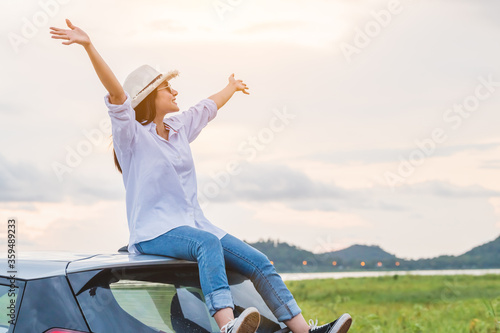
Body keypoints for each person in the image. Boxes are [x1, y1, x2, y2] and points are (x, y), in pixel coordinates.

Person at [50, 19, 353, 333]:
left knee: (259, 262)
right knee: (206, 244)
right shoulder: (133, 138)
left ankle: (306, 331)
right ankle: (226, 326)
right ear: (151, 95)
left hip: (194, 224)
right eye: (168, 87)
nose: (175, 90)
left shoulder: (179, 128)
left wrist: (231, 87)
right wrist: (88, 46)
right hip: (154, 230)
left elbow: (208, 107)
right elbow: (116, 93)